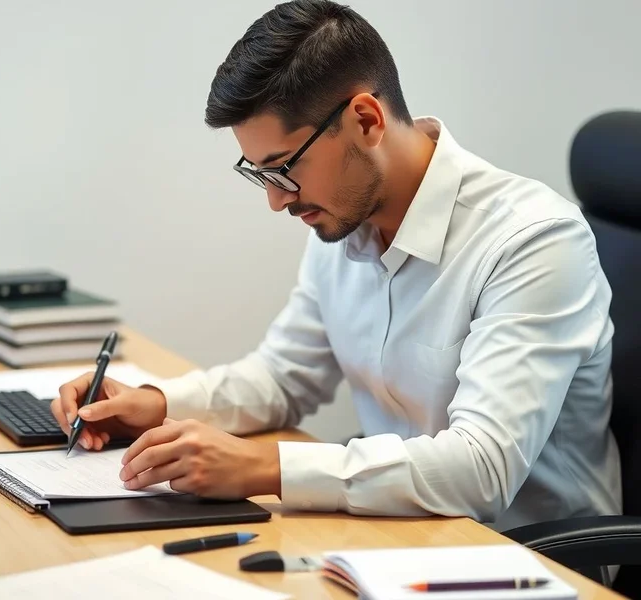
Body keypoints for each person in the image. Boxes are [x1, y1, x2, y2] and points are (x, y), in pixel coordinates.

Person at [50, 0, 621, 531]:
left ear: (366, 120)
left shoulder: (532, 240)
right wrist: (156, 406)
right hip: (395, 535)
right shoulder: (341, 219)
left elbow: (481, 468)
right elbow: (283, 377)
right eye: (259, 174)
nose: (277, 200)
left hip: (530, 555)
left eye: (283, 168)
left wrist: (262, 467)